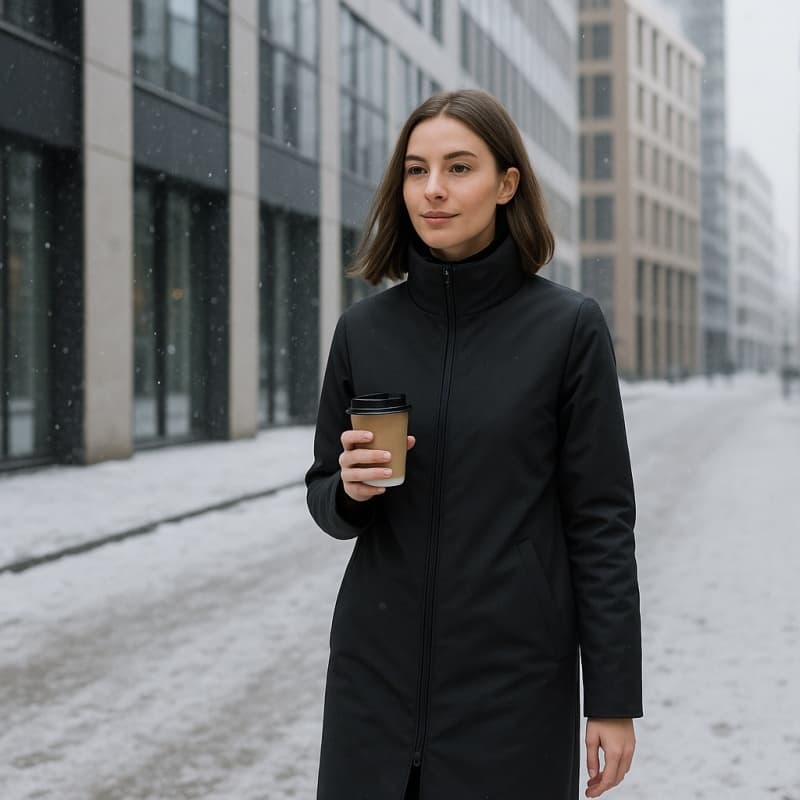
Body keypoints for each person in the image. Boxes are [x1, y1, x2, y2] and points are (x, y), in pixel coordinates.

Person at [306, 89, 642, 800]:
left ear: (506, 183)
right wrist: (350, 491)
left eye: (459, 168)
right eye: (416, 169)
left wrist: (612, 699)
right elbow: (324, 498)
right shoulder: (364, 332)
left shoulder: (568, 329)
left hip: (513, 686)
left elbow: (601, 522)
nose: (433, 189)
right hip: (373, 680)